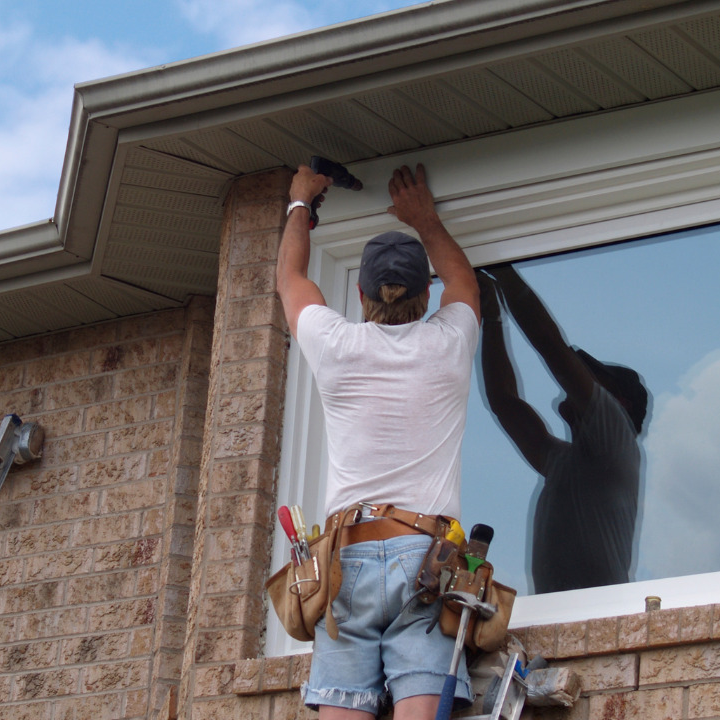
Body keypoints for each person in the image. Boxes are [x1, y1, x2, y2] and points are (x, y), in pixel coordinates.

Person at [276, 163, 481, 720]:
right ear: (426, 292)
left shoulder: (336, 345)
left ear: (361, 292)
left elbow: (291, 281)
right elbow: (464, 281)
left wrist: (301, 204)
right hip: (427, 555)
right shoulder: (449, 343)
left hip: (348, 559)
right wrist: (425, 220)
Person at [478, 264, 649, 594]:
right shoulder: (569, 463)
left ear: (620, 403)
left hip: (598, 620)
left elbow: (550, 346)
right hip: (562, 618)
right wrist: (492, 318)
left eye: (590, 377)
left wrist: (502, 267)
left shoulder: (618, 436)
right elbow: (504, 401)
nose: (577, 382)